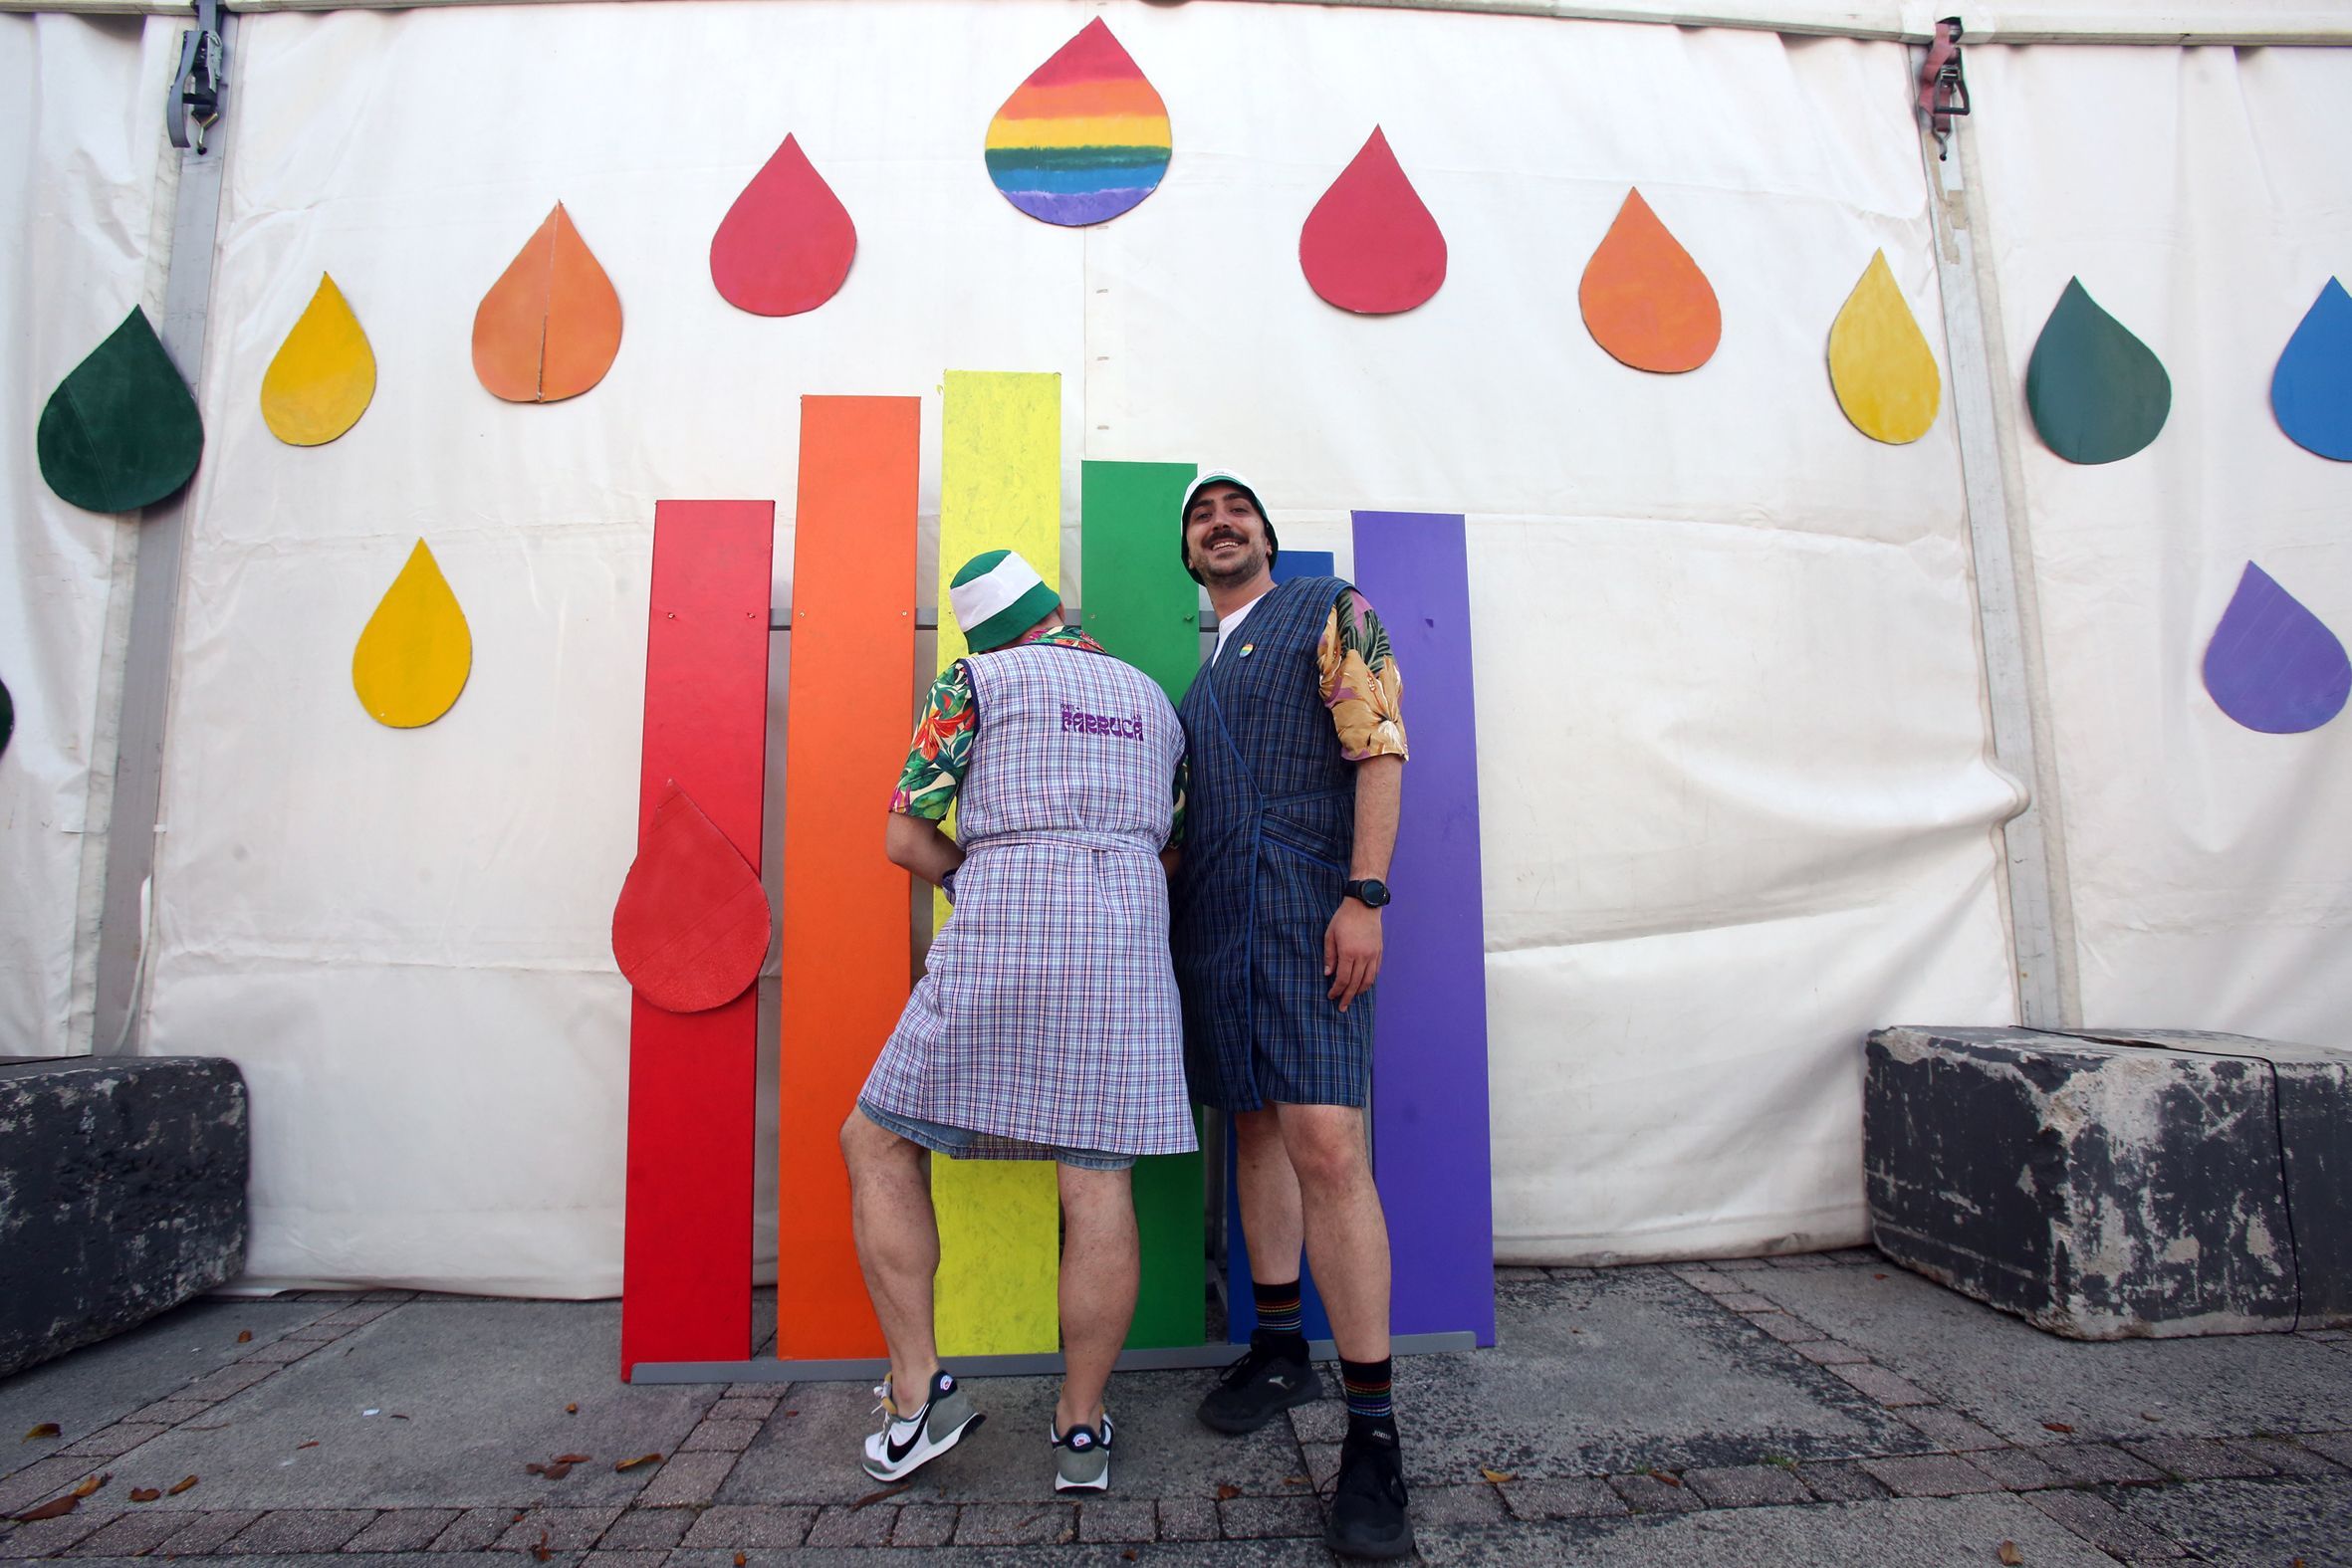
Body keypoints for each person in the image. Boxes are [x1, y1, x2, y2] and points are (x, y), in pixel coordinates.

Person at [839, 547, 1195, 1497]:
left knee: (875, 1139)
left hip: (1004, 922)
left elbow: (904, 836)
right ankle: (1082, 1427)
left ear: (984, 635)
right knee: (1096, 1180)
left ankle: (919, 1396)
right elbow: (1171, 844)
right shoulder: (1153, 701)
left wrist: (980, 876)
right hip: (1125, 940)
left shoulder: (975, 681)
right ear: (1057, 612)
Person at [1169, 473, 1413, 1559]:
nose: (1219, 525)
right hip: (1220, 929)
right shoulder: (1197, 676)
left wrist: (1364, 897)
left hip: (1314, 919)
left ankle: (1372, 1433)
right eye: (1201, 518)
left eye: (1236, 512)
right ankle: (1277, 1344)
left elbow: (1379, 747)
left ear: (1265, 535)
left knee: (1325, 1140)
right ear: (1189, 554)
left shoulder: (1332, 609)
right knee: (1253, 1128)